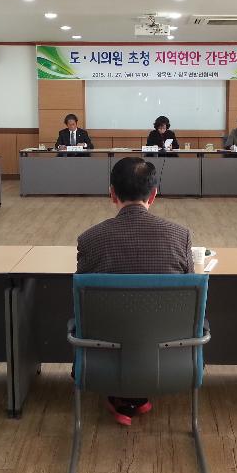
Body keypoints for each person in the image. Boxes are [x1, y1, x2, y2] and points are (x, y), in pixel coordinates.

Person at [77, 157, 194, 425]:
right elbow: (187, 292)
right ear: (153, 195)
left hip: (106, 349)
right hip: (165, 351)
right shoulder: (180, 236)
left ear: (112, 194)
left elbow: (83, 303)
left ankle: (122, 392)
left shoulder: (90, 239)